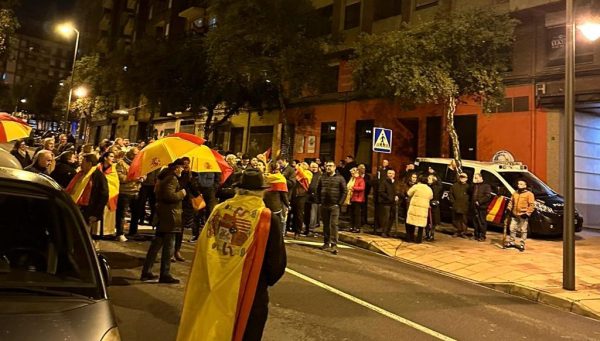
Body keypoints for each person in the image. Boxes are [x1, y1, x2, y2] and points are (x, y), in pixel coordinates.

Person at [176, 168, 286, 341]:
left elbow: (205, 244)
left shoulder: (220, 209)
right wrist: (265, 280)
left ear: (238, 189)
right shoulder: (265, 217)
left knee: (212, 327)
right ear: (262, 192)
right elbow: (276, 262)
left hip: (214, 279)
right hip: (248, 285)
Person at [140, 159, 187, 283]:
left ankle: (147, 271)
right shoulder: (172, 178)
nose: (183, 169)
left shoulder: (166, 177)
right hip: (169, 216)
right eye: (182, 167)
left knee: (156, 245)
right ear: (177, 167)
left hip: (164, 216)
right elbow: (169, 196)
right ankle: (164, 274)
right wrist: (181, 193)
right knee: (168, 247)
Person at [65, 154, 109, 247]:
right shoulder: (80, 174)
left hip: (88, 210)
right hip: (76, 207)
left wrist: (96, 214)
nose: (81, 164)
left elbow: (103, 195)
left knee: (84, 234)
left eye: (83, 162)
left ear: (89, 164)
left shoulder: (98, 176)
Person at [317, 161, 346, 254]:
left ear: (334, 167)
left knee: (333, 224)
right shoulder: (322, 177)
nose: (328, 167)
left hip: (334, 205)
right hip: (324, 204)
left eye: (330, 166)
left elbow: (344, 191)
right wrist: (319, 201)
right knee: (325, 225)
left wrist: (339, 203)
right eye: (327, 166)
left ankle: (334, 244)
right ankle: (326, 242)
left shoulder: (340, 178)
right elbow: (318, 189)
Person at [115, 148, 142, 240]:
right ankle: (120, 233)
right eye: (135, 154)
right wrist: (133, 178)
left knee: (136, 213)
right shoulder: (121, 164)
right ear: (130, 154)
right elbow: (120, 177)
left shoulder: (138, 164)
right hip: (125, 192)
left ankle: (133, 232)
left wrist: (142, 177)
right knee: (122, 214)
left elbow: (143, 173)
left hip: (136, 191)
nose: (136, 156)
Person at [504, 179, 535, 251]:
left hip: (523, 214)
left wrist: (527, 213)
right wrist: (508, 209)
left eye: (521, 184)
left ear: (525, 185)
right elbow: (511, 202)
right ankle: (512, 242)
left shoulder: (529, 194)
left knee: (523, 230)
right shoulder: (515, 193)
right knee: (512, 228)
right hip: (515, 214)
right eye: (518, 184)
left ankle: (522, 244)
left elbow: (532, 205)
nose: (519, 185)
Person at [406, 174, 434, 243]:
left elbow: (409, 193)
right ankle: (418, 240)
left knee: (411, 223)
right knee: (421, 226)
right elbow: (431, 197)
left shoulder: (416, 186)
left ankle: (410, 238)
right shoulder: (429, 189)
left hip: (414, 208)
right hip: (423, 209)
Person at [98, 151, 120, 239]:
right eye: (111, 156)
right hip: (98, 196)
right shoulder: (97, 168)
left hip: (109, 196)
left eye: (113, 157)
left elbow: (115, 183)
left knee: (106, 215)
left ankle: (105, 232)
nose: (112, 158)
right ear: (105, 158)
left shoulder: (113, 170)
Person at [264, 162, 289, 236]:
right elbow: (283, 194)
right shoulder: (280, 178)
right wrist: (287, 204)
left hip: (264, 204)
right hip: (276, 206)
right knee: (276, 225)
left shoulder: (264, 177)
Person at [291, 162, 311, 238]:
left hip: (302, 195)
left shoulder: (308, 173)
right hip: (294, 195)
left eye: (302, 165)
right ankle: (292, 228)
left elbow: (305, 179)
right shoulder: (296, 173)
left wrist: (299, 169)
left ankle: (298, 231)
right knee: (293, 213)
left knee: (299, 214)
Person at [471, 173, 492, 242]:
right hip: (474, 206)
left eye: (477, 178)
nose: (476, 179)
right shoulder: (475, 185)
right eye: (475, 178)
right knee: (475, 221)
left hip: (482, 207)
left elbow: (487, 196)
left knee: (482, 221)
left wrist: (479, 201)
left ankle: (482, 236)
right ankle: (476, 235)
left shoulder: (486, 186)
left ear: (481, 178)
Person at [377, 169, 398, 238]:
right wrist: (390, 198)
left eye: (392, 173)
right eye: (389, 173)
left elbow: (397, 191)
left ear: (394, 175)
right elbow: (381, 192)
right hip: (386, 203)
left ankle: (388, 231)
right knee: (386, 218)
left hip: (393, 203)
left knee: (392, 218)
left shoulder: (395, 182)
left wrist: (397, 196)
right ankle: (384, 232)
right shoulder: (384, 182)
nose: (391, 175)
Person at [449, 172, 470, 238]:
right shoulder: (454, 186)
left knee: (464, 220)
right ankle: (457, 231)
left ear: (466, 179)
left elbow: (471, 196)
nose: (462, 178)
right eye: (461, 177)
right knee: (456, 220)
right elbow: (450, 194)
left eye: (464, 177)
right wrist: (453, 202)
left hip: (464, 206)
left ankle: (463, 232)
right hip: (456, 206)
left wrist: (468, 203)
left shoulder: (468, 187)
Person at [304, 162, 322, 234]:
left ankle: (311, 229)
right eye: (312, 167)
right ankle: (306, 227)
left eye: (315, 167)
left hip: (315, 197)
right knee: (307, 213)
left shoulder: (320, 176)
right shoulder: (308, 174)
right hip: (307, 197)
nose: (314, 169)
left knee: (313, 214)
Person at [347, 167, 365, 233]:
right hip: (351, 198)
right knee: (351, 214)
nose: (352, 174)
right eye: (351, 173)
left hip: (358, 199)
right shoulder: (352, 179)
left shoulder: (360, 179)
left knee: (357, 214)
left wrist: (353, 188)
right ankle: (351, 226)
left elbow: (362, 188)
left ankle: (357, 227)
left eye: (353, 173)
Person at [426, 174, 443, 241]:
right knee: (427, 222)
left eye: (430, 178)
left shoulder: (436, 187)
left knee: (433, 222)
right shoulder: (426, 186)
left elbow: (440, 187)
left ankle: (432, 235)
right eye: (428, 178)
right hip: (427, 205)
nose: (428, 179)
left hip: (434, 206)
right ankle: (427, 234)